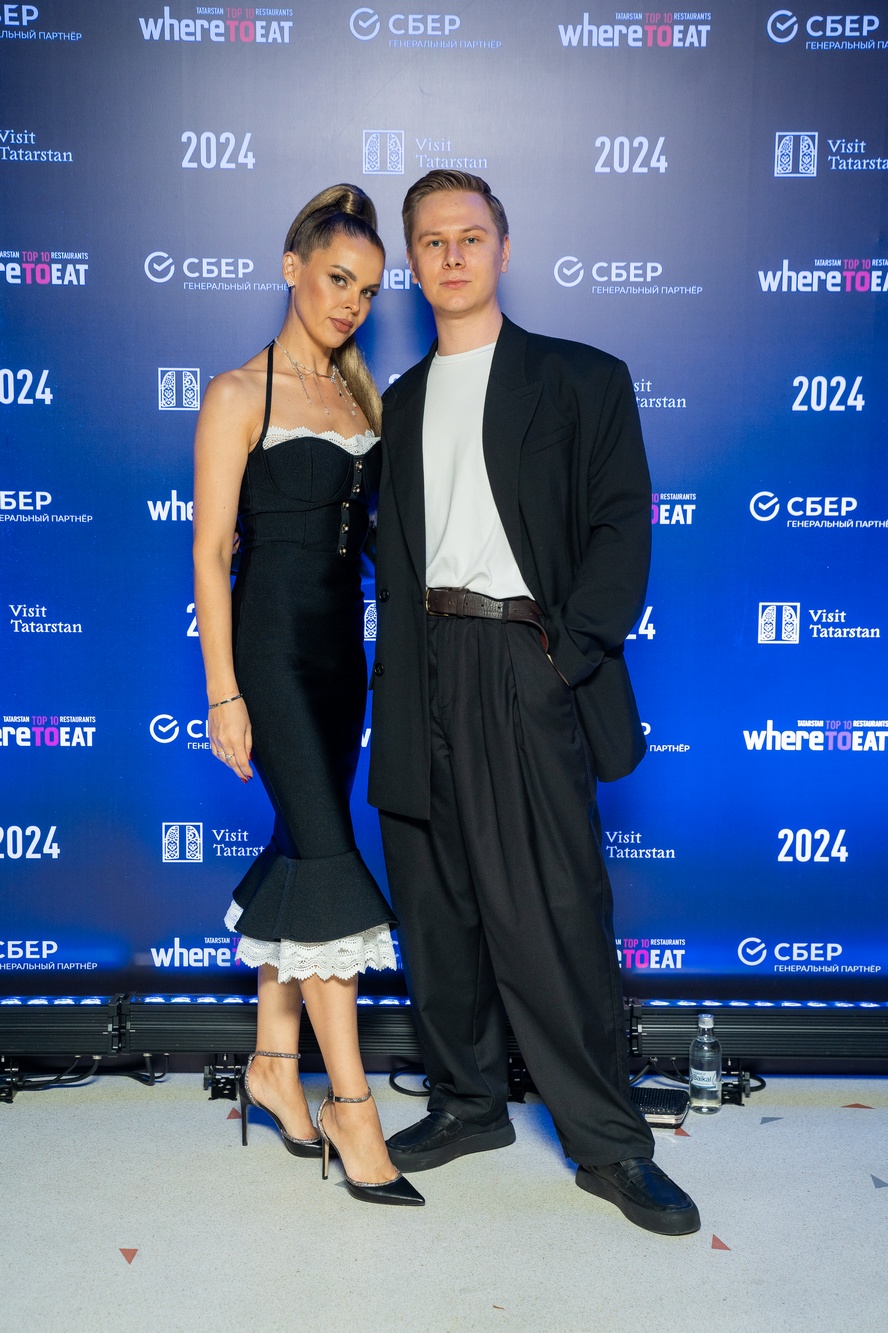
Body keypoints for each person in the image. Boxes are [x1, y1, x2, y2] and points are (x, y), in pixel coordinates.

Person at [368, 170, 699, 1234]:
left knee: (555, 909)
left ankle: (609, 1142)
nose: (452, 255)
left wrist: (568, 655)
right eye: (432, 240)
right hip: (421, 663)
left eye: (471, 236)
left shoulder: (581, 378)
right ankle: (468, 1104)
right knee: (437, 904)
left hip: (527, 658)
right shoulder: (400, 403)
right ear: (412, 264)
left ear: (503, 250)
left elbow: (620, 525)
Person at [192, 184, 422, 1207]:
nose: (349, 303)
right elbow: (210, 553)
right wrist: (223, 694)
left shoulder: (362, 396)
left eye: (366, 291)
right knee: (328, 861)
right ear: (292, 268)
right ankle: (352, 1108)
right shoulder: (238, 392)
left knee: (302, 846)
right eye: (336, 279)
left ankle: (273, 1067)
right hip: (271, 654)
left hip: (340, 660)